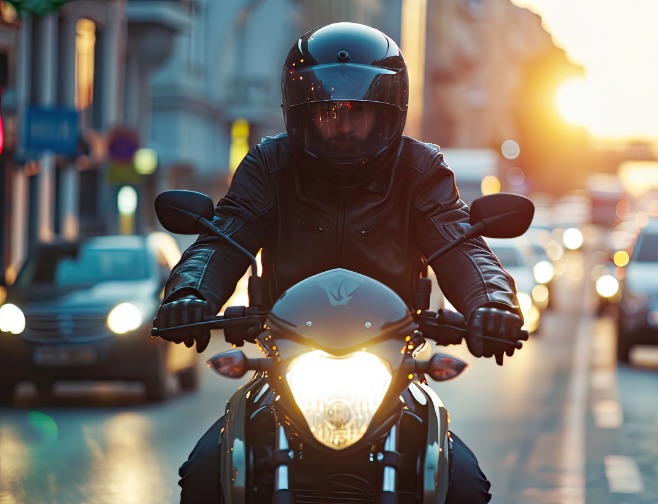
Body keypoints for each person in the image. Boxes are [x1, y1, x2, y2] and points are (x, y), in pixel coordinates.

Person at [153, 21, 524, 504]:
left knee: (463, 483)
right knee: (207, 471)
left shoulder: (419, 168)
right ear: (301, 113)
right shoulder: (271, 164)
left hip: (390, 362)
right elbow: (224, 237)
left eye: (358, 113)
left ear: (388, 112)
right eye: (328, 112)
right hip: (288, 360)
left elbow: (461, 245)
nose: (343, 125)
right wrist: (190, 293)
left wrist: (491, 302)